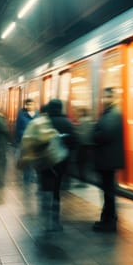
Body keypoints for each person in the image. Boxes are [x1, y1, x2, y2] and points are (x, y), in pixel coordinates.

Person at [37, 99, 78, 232]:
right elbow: (75, 142)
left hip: (45, 162)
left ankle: (44, 216)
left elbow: (35, 142)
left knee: (45, 188)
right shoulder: (67, 123)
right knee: (56, 190)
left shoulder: (44, 123)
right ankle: (55, 222)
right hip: (60, 164)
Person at [92, 87, 124, 232]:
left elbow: (103, 135)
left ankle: (109, 221)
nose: (105, 99)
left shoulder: (113, 114)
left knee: (108, 191)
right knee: (107, 191)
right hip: (107, 160)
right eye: (104, 97)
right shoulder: (110, 113)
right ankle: (107, 217)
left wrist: (95, 133)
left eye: (108, 97)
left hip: (108, 160)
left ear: (114, 98)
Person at [15, 98, 38, 183]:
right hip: (25, 142)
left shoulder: (38, 114)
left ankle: (33, 177)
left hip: (35, 142)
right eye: (28, 104)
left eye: (31, 104)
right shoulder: (21, 115)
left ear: (34, 105)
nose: (29, 106)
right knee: (27, 160)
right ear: (25, 105)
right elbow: (18, 128)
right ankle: (27, 178)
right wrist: (19, 139)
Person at [75, 107, 94, 184]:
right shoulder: (90, 120)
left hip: (82, 146)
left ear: (82, 113)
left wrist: (76, 133)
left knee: (81, 163)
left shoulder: (82, 121)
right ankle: (85, 177)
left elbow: (81, 135)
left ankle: (82, 178)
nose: (77, 114)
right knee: (87, 163)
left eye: (79, 112)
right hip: (90, 145)